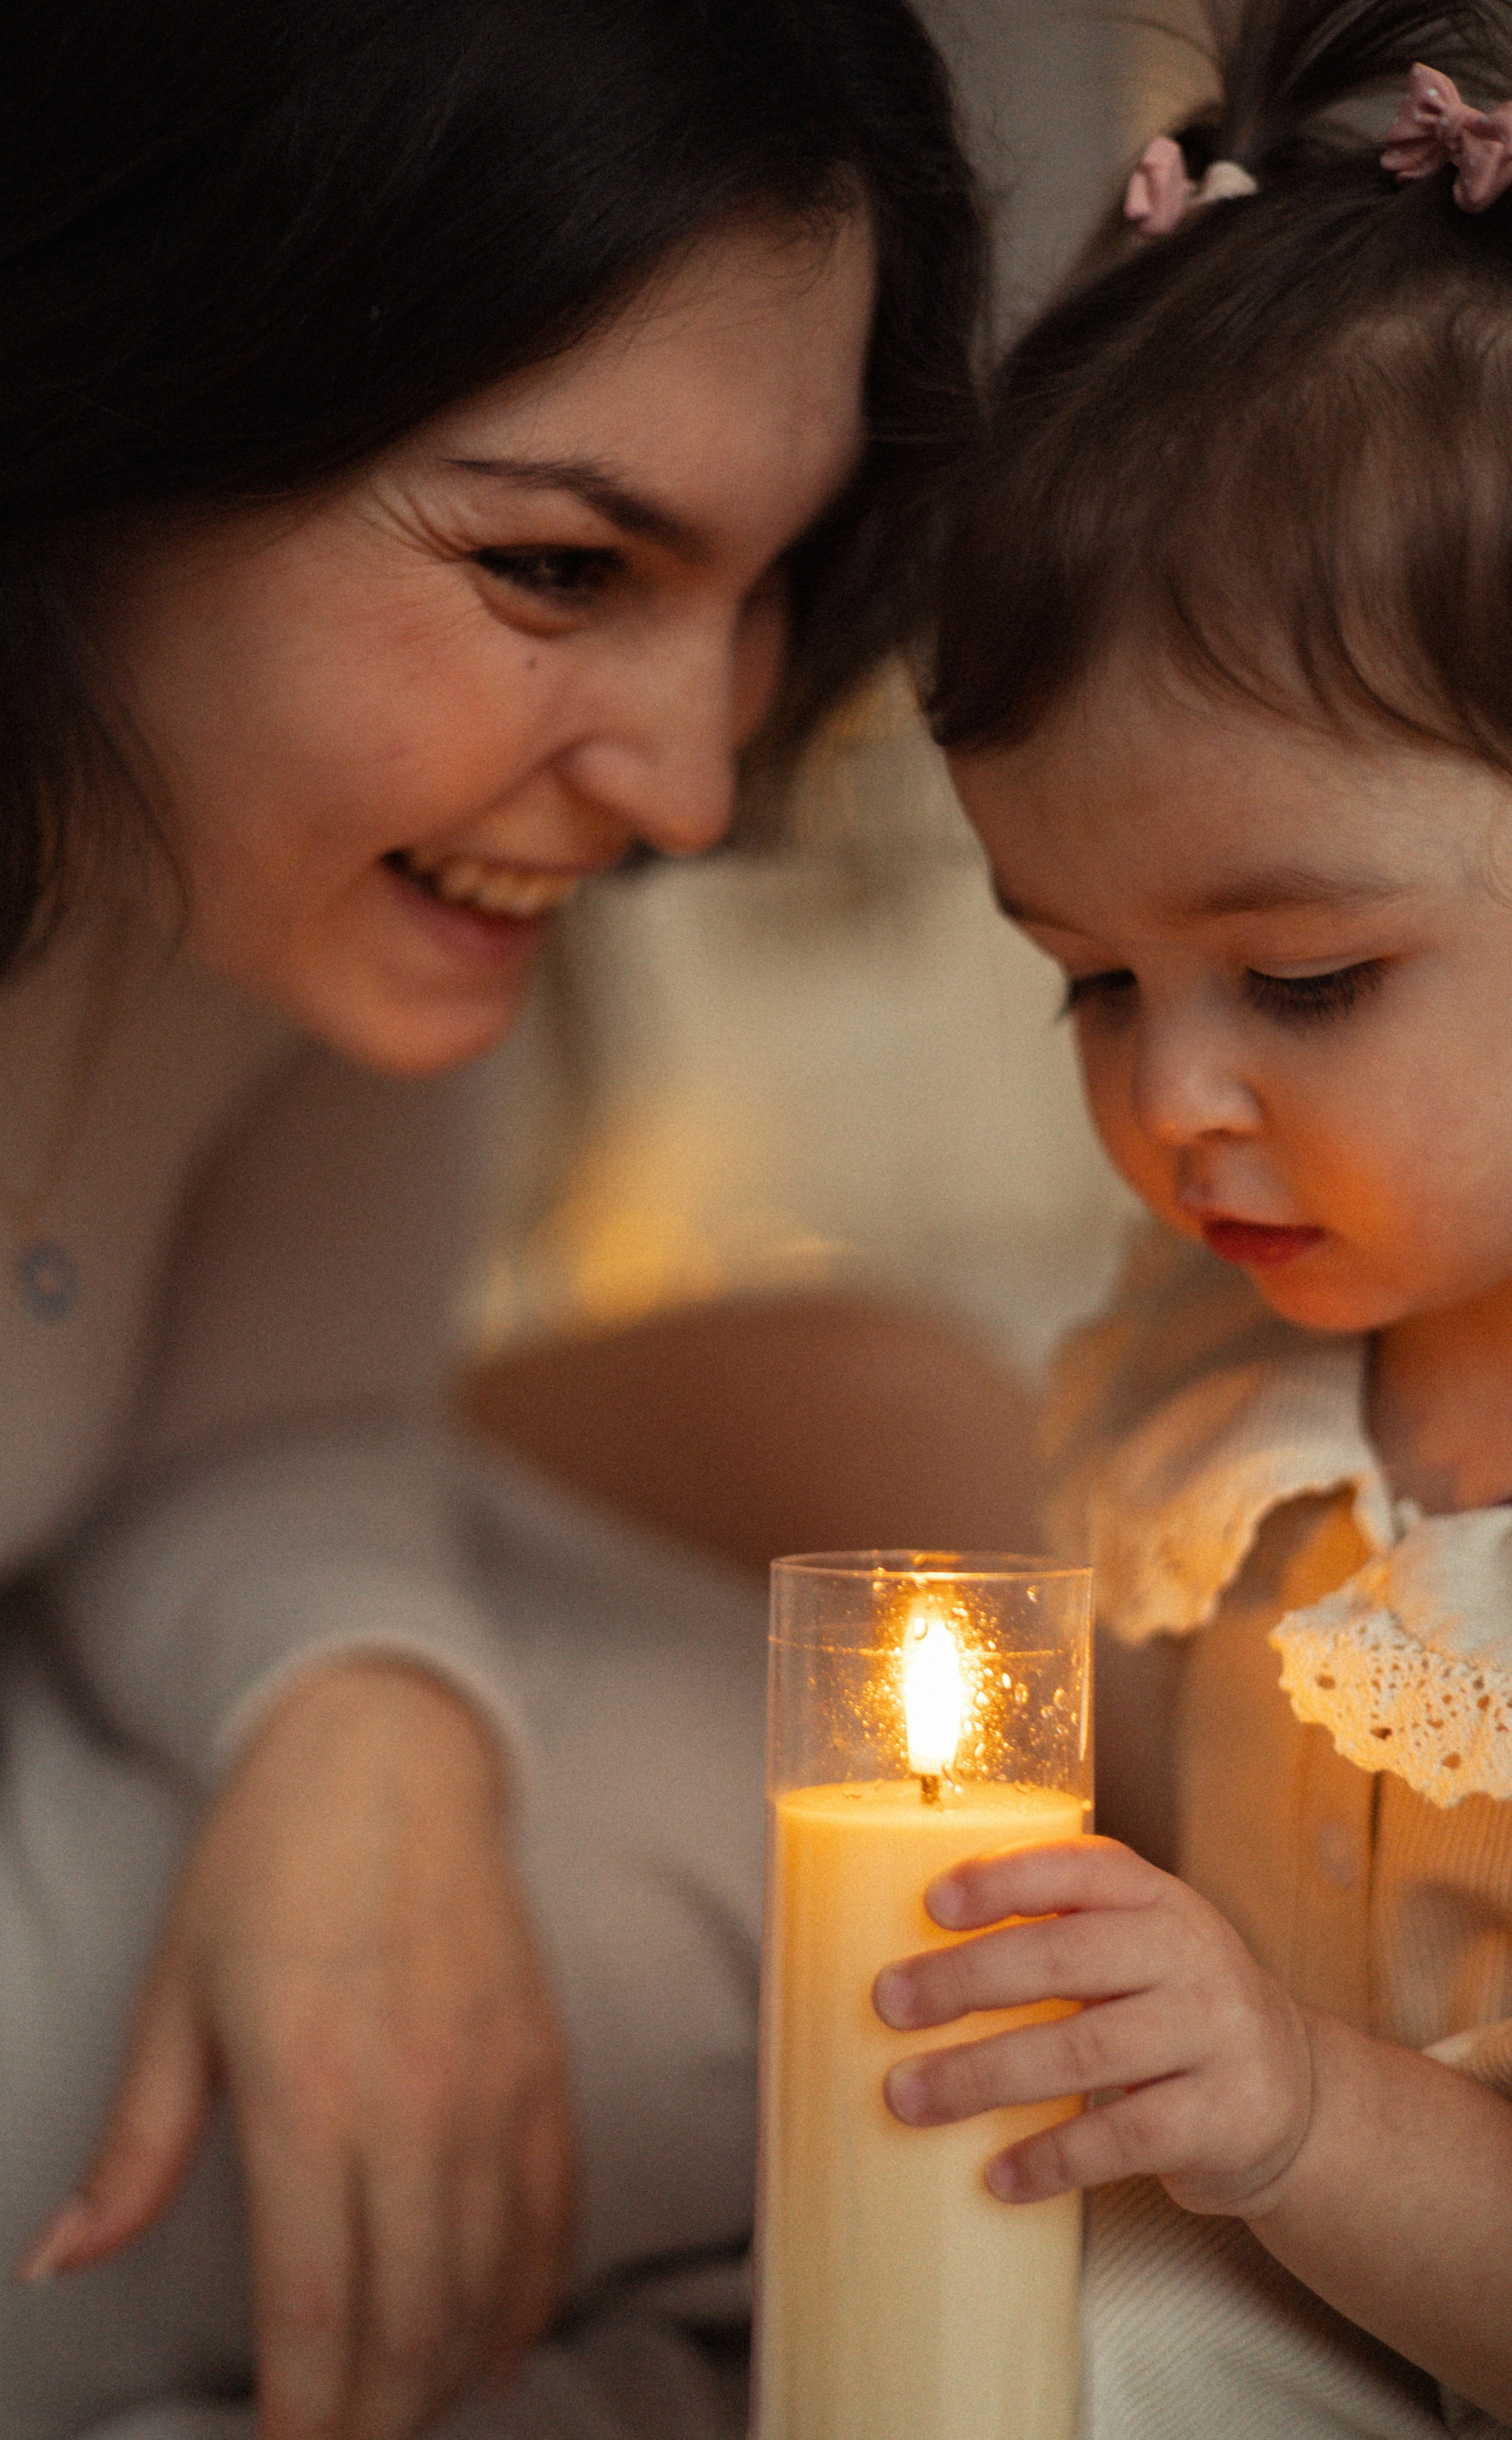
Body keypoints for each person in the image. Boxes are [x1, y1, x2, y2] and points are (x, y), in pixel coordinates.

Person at [0, 4, 987, 2432]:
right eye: (560, 566)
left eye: (768, 582)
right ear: (99, 388)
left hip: (10, 1711)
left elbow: (267, 1431)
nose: (688, 787)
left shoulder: (306, 875)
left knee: (930, 1640)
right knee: (858, 1953)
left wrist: (359, 1722)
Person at [879, 1, 1512, 2432]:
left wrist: (1297, 2110)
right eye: (1088, 981)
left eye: (1307, 980)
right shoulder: (1221, 1378)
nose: (1167, 1101)